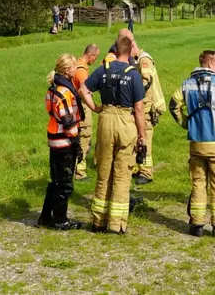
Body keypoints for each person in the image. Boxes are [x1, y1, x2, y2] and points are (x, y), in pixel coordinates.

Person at [79, 35, 147, 234]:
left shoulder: (104, 69)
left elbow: (83, 89)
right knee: (122, 173)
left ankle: (98, 221)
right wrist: (142, 135)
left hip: (106, 119)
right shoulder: (133, 74)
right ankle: (116, 224)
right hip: (126, 121)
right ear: (129, 52)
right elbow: (139, 108)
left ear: (115, 51)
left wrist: (96, 108)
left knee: (103, 172)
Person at [169, 50, 215, 237]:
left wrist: (186, 123)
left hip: (196, 143)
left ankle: (197, 226)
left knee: (198, 183)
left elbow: (173, 105)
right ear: (209, 64)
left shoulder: (186, 84)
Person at [38, 53, 101, 230]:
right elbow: (68, 122)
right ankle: (60, 220)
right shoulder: (64, 92)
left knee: (55, 181)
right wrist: (77, 144)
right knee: (64, 184)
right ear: (67, 70)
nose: (77, 68)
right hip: (64, 143)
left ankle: (45, 217)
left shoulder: (53, 88)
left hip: (54, 140)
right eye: (74, 66)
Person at [134, 46, 167, 185]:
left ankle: (146, 173)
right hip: (144, 106)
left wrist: (132, 91)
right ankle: (139, 167)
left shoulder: (144, 60)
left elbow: (145, 81)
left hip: (147, 107)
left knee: (145, 138)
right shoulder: (139, 60)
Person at [73, 43, 100, 181]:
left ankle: (76, 168)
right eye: (95, 57)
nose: (95, 60)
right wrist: (95, 107)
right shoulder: (82, 71)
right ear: (90, 55)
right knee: (84, 136)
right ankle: (80, 172)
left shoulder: (76, 65)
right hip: (83, 108)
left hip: (77, 108)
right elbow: (85, 92)